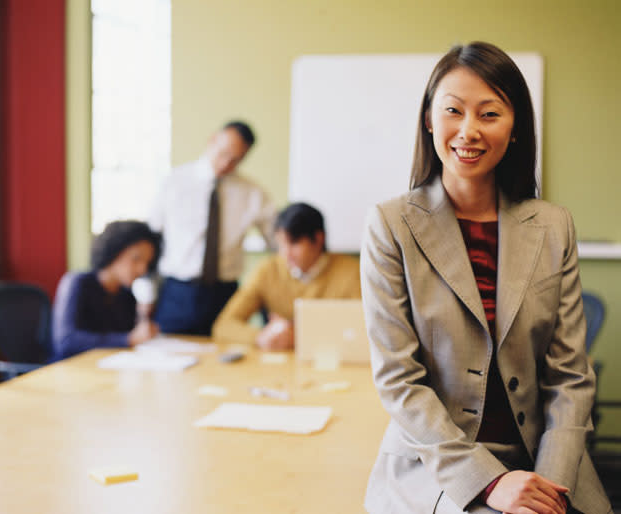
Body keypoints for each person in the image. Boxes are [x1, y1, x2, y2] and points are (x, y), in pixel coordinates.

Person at [361, 42, 612, 514]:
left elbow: (570, 378)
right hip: (435, 465)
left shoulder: (553, 225)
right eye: (453, 111)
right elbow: (400, 381)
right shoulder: (391, 224)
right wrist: (488, 483)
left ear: (515, 127)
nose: (468, 131)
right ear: (430, 120)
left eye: (489, 113)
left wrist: (548, 487)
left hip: (543, 461)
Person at [147, 120, 277, 336]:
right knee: (170, 357)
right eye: (224, 153)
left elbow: (279, 241)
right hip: (178, 291)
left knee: (227, 358)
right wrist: (145, 296)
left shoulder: (252, 193)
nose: (226, 163)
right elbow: (151, 240)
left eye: (236, 159)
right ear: (212, 141)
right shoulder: (174, 182)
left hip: (224, 293)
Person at [212, 202, 361, 351]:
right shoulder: (268, 271)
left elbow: (367, 330)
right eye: (281, 244)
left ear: (318, 239)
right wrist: (261, 336)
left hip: (333, 362)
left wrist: (300, 335)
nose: (286, 254)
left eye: (294, 243)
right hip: (281, 367)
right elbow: (223, 326)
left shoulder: (352, 273)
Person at [52, 221, 161, 360]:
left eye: (147, 263)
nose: (143, 269)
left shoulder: (127, 295)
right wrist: (127, 339)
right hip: (70, 371)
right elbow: (66, 341)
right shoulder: (77, 283)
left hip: (107, 372)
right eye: (136, 259)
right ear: (114, 251)